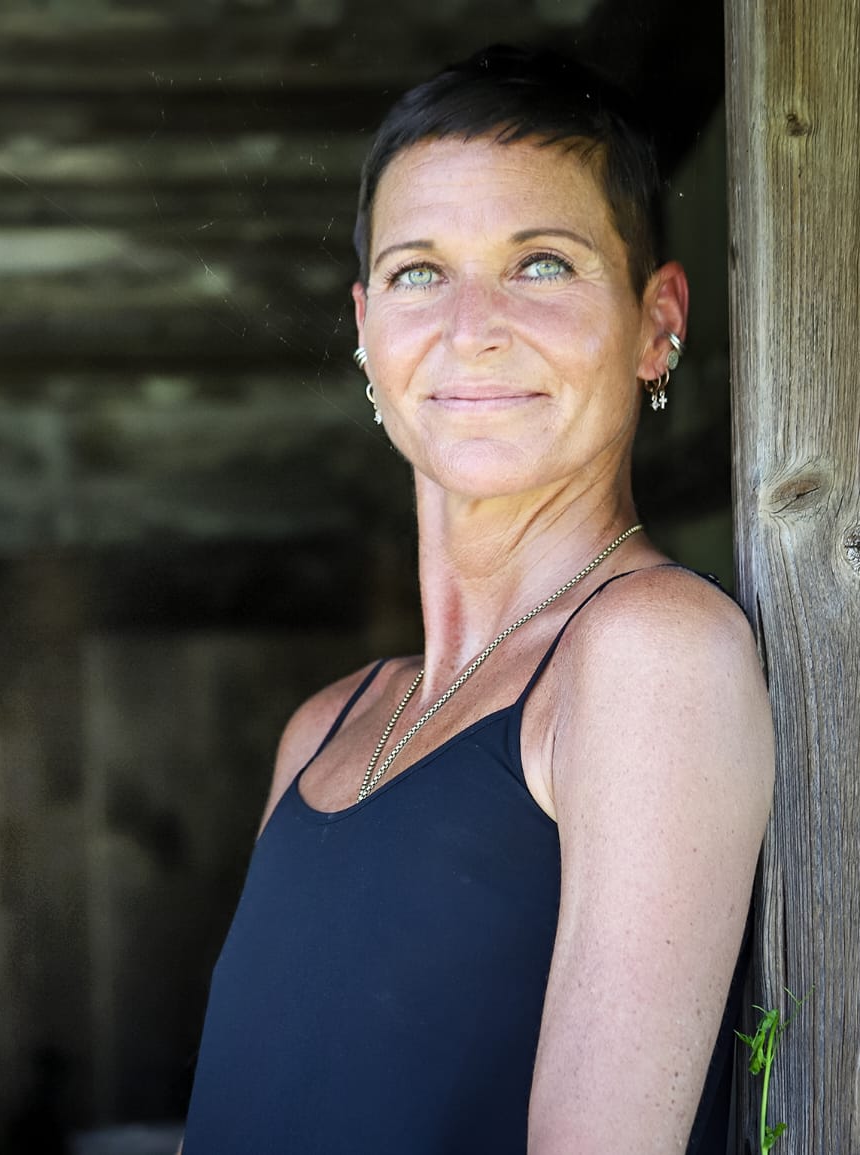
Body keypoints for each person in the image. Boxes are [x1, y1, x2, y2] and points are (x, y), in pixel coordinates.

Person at [177, 45, 773, 1154]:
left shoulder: (648, 654)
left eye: (541, 263)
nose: (471, 327)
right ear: (366, 331)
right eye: (419, 273)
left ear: (656, 322)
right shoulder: (324, 728)